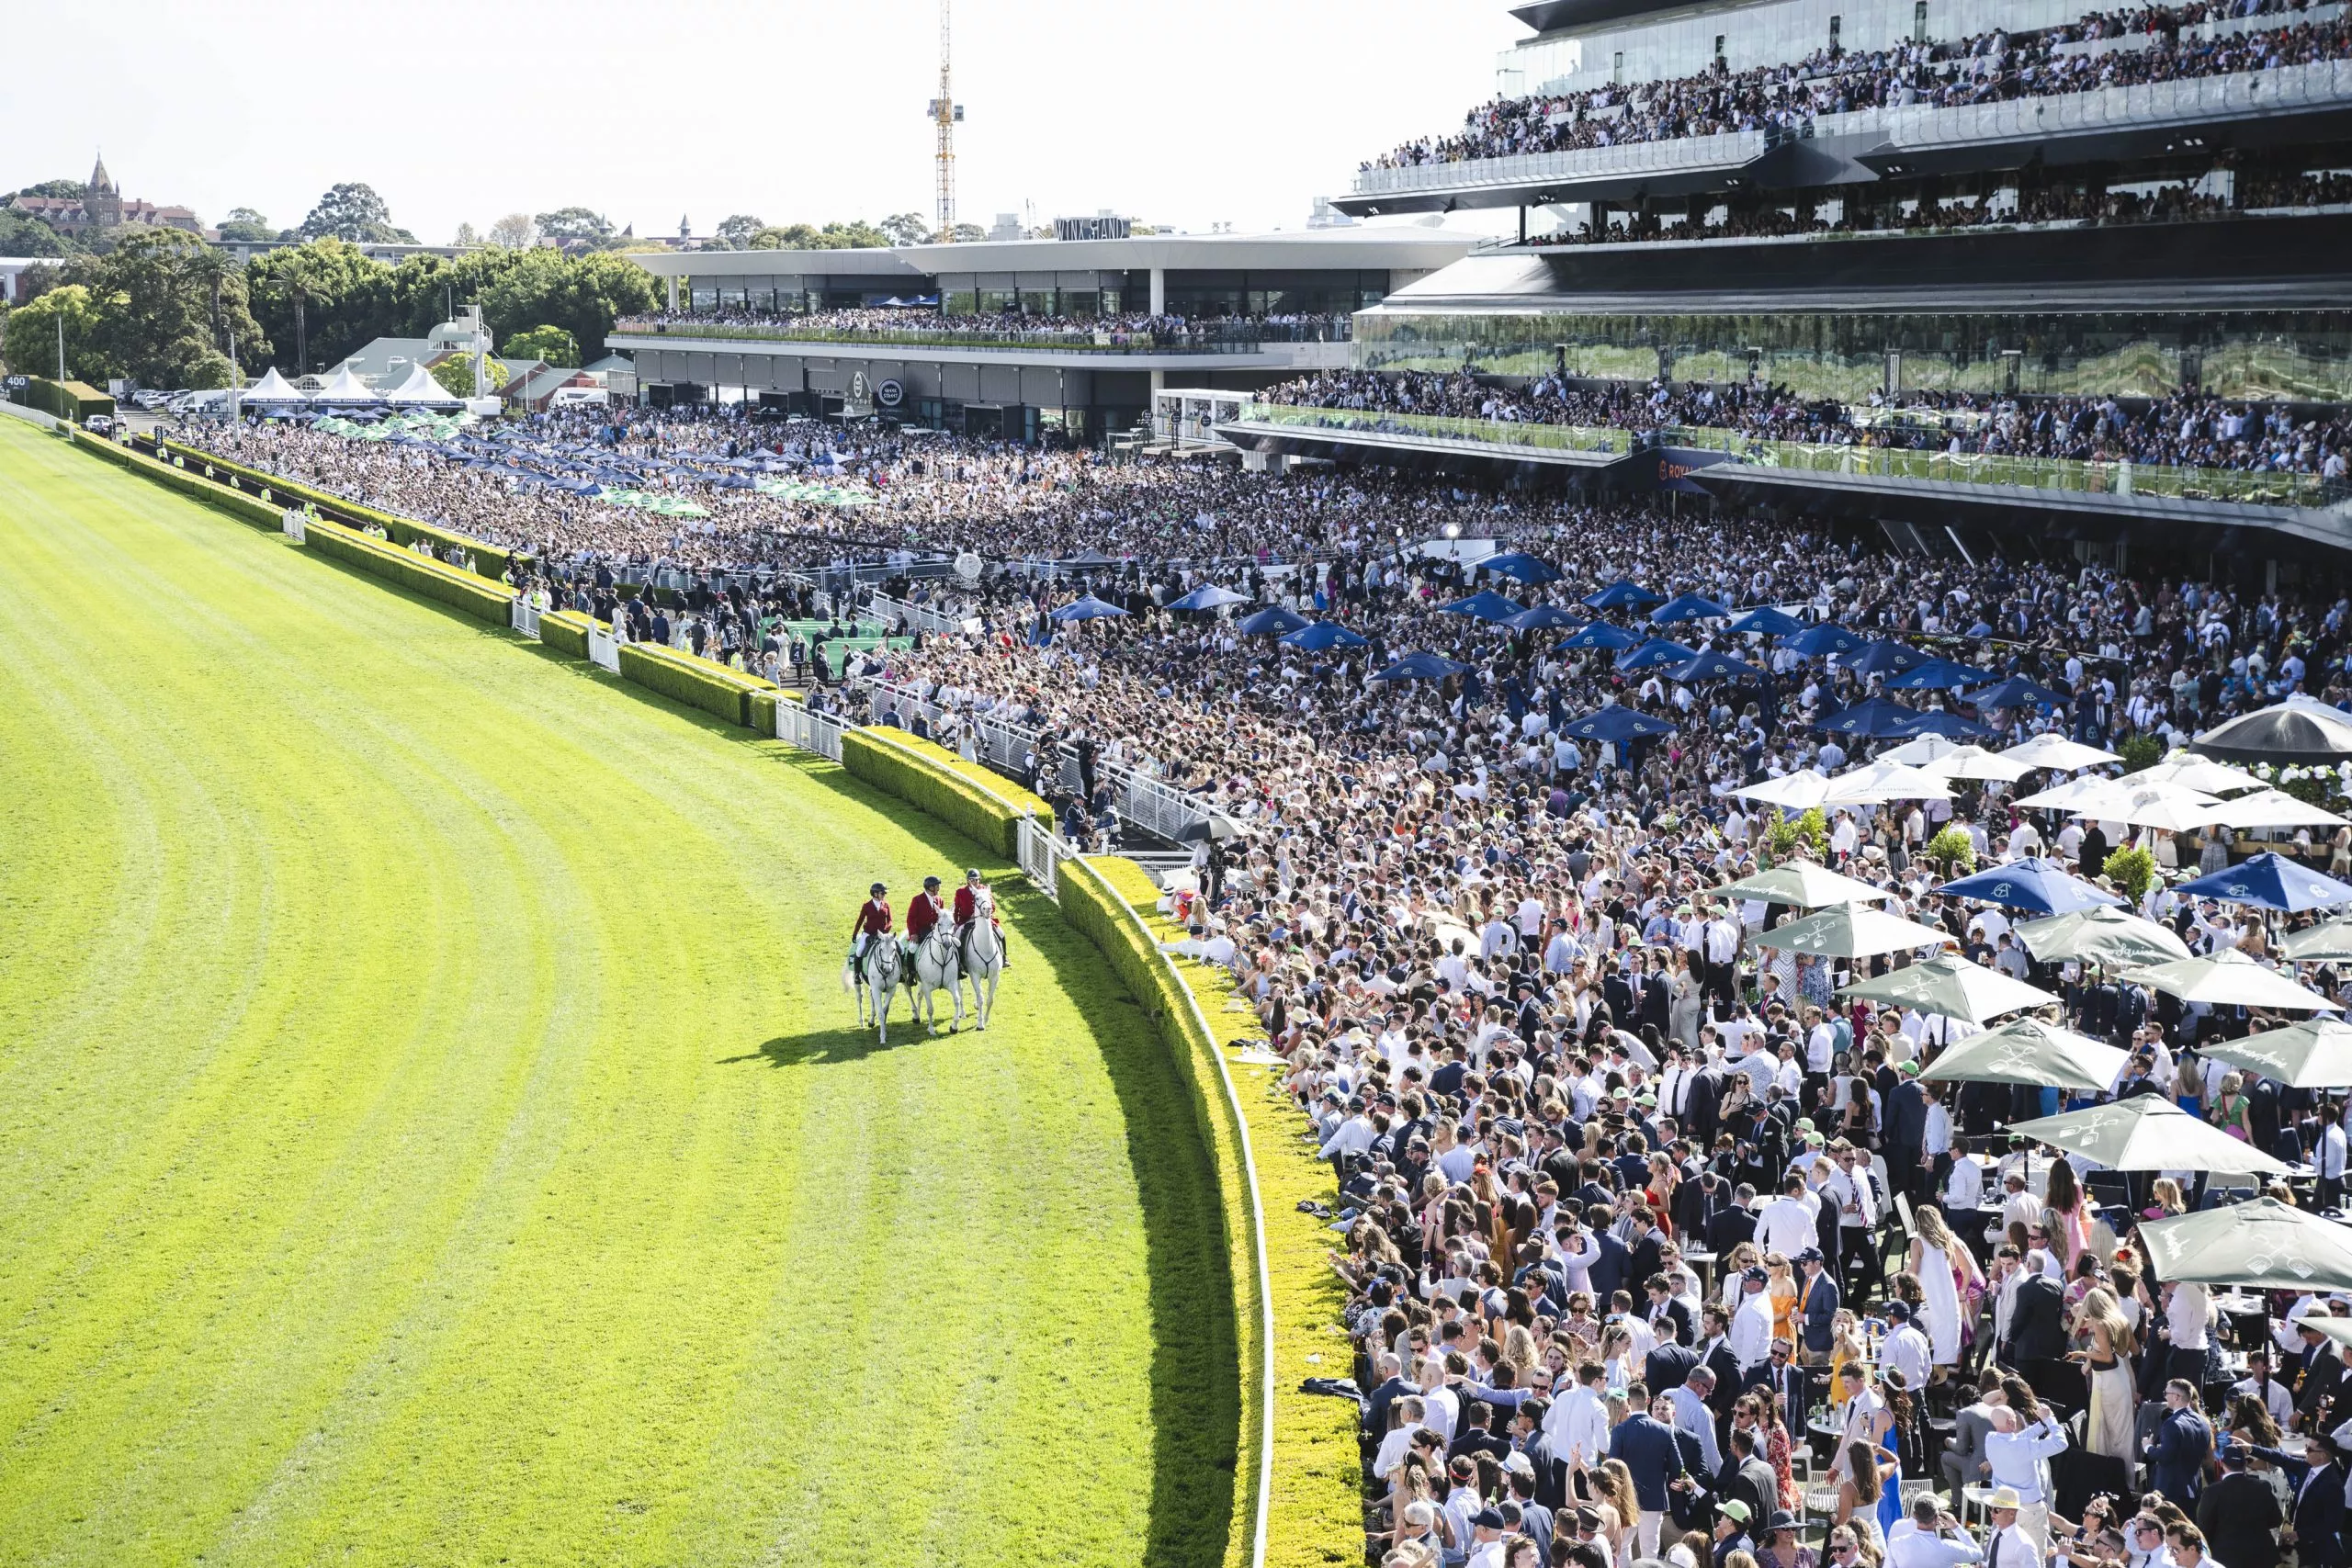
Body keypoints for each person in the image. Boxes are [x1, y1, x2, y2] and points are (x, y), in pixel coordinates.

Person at [2145, 1378, 2213, 1508]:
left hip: (2171, 1492)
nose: (2165, 1396)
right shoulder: (2203, 1422)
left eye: (2166, 1393)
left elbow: (2165, 1456)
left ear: (2176, 1397)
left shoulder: (2172, 1423)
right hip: (2193, 1489)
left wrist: (2148, 1447)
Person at [952, 867, 1007, 964]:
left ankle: (1004, 957)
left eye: (976, 880)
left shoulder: (985, 889)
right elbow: (956, 909)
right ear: (968, 881)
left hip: (984, 918)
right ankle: (960, 962)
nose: (974, 882)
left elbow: (992, 906)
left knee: (1001, 932)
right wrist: (957, 923)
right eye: (972, 880)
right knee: (958, 935)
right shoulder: (960, 892)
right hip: (967, 920)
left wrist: (984, 913)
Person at [850, 880, 893, 964]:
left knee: (898, 947)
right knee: (859, 951)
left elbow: (890, 920)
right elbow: (860, 920)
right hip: (869, 933)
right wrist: (855, 934)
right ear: (875, 894)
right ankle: (857, 974)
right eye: (882, 893)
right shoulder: (867, 906)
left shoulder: (886, 905)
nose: (884, 895)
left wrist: (886, 930)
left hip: (883, 934)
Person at [907, 874, 948, 945]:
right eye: (937, 886)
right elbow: (910, 918)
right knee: (912, 948)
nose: (939, 888)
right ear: (931, 888)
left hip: (935, 931)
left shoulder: (940, 900)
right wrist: (913, 933)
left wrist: (937, 924)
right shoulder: (917, 900)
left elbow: (940, 917)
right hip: (920, 932)